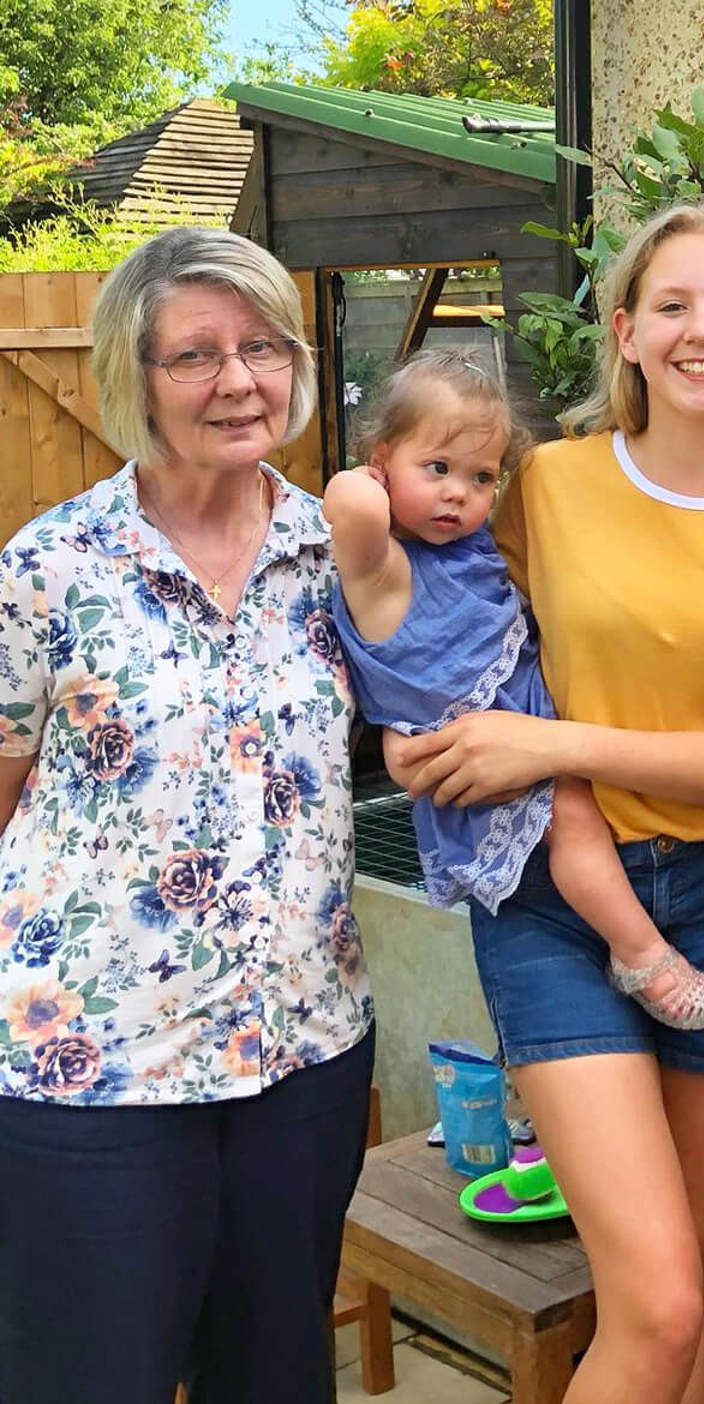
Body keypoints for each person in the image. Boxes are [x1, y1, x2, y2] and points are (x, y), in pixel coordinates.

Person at [388, 201, 704, 1404]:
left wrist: (546, 742)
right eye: (672, 304)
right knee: (655, 1298)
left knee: (684, 1289)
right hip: (556, 893)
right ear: (625, 332)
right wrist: (415, 733)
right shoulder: (544, 483)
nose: (700, 330)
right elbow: (428, 617)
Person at [0, 226, 373, 1404]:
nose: (238, 381)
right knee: (87, 1377)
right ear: (134, 376)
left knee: (275, 1377)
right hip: (93, 1067)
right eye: (195, 356)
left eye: (262, 346)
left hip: (301, 1053)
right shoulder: (51, 567)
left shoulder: (343, 555)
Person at [327, 349, 704, 1028]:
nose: (459, 493)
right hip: (475, 758)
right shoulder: (384, 571)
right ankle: (640, 954)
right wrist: (370, 478)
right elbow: (353, 508)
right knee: (574, 817)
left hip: (525, 722)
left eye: (482, 477)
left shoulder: (472, 548)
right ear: (383, 457)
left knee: (581, 808)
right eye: (438, 469)